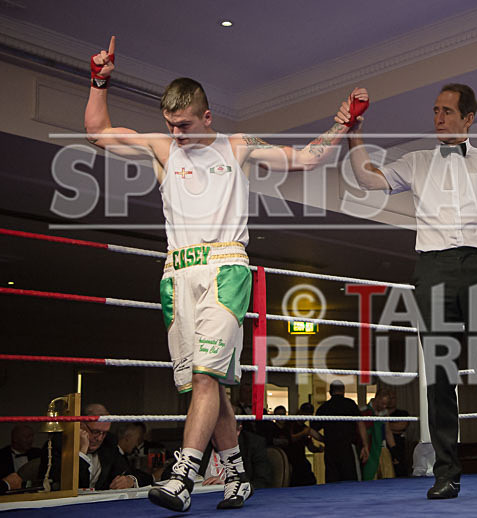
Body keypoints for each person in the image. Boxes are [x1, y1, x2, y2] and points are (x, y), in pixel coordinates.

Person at [84, 37, 355, 512]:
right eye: (171, 125)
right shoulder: (162, 148)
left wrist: (341, 123)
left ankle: (183, 475)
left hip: (226, 268)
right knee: (209, 386)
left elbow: (308, 158)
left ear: (206, 116)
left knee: (208, 380)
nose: (178, 134)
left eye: (185, 125)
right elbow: (97, 133)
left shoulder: (237, 147)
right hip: (177, 274)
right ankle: (236, 473)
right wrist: (99, 81)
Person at [343, 83, 477, 499]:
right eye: (435, 111)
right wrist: (355, 131)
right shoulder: (416, 161)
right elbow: (368, 178)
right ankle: (446, 473)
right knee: (440, 374)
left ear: (468, 118)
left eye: (447, 111)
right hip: (434, 268)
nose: (438, 117)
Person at [312, 381, 369, 483]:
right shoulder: (350, 404)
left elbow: (312, 430)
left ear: (330, 392)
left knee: (332, 481)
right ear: (343, 391)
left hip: (331, 449)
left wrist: (324, 439)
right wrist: (365, 445)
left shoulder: (324, 407)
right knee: (351, 481)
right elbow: (361, 424)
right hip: (347, 448)